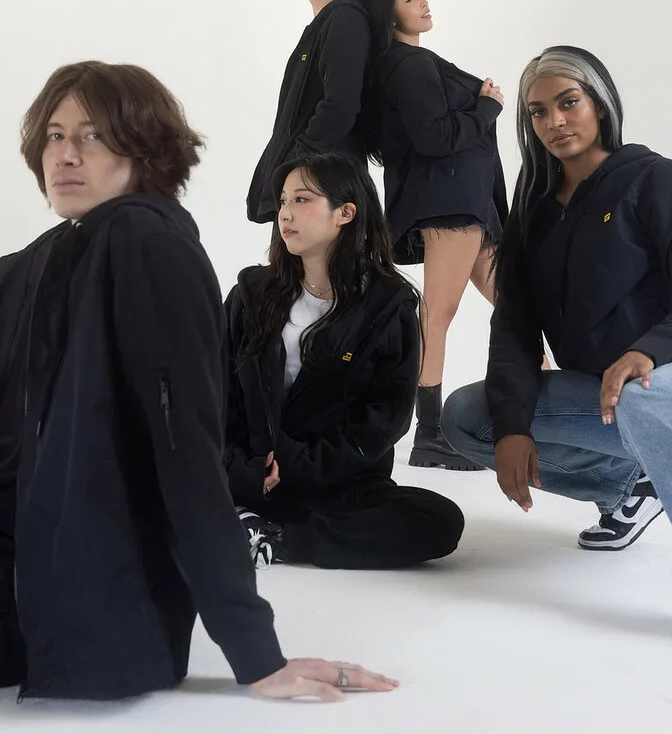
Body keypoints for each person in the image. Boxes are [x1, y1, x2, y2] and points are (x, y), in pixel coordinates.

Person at [0, 60, 399, 701]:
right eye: (54, 135)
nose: (65, 155)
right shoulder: (58, 251)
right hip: (38, 590)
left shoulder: (146, 240)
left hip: (92, 608)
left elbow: (186, 454)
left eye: (93, 135)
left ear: (144, 149)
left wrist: (255, 653)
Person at [441, 45, 672, 668]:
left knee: (648, 396)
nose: (555, 121)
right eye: (538, 112)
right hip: (612, 397)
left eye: (569, 102)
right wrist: (513, 425)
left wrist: (648, 351)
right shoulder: (534, 211)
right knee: (469, 417)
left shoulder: (657, 180)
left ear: (601, 103)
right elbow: (515, 324)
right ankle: (630, 485)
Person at [226, 151, 465, 568]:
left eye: (302, 199)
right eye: (283, 201)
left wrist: (299, 464)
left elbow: (385, 418)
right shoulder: (252, 293)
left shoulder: (388, 305)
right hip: (250, 473)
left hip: (335, 482)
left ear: (346, 213)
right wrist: (243, 469)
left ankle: (277, 538)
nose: (285, 213)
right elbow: (214, 393)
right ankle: (244, 515)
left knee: (439, 521)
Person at [355, 0, 508, 471]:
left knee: (516, 305)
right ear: (388, 13)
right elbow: (434, 138)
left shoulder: (413, 62)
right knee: (437, 315)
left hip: (466, 204)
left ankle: (541, 410)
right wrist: (486, 108)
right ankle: (431, 433)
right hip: (450, 204)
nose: (423, 3)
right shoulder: (410, 65)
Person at [247, 0, 370, 225]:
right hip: (310, 187)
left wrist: (295, 163)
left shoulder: (345, 19)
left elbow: (340, 107)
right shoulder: (325, 23)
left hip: (323, 190)